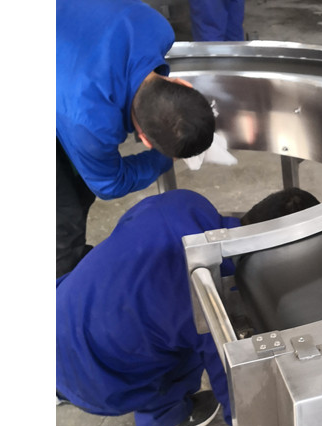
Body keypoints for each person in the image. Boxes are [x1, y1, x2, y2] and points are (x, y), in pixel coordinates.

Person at [56, 187, 319, 426]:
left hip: (56, 314)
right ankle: (163, 421)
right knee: (191, 335)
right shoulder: (212, 298)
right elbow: (239, 399)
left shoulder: (181, 203)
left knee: (141, 303)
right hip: (94, 384)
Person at [56, 0, 216, 278]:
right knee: (63, 220)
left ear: (181, 83)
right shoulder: (90, 122)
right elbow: (110, 183)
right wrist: (162, 160)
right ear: (145, 139)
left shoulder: (159, 29)